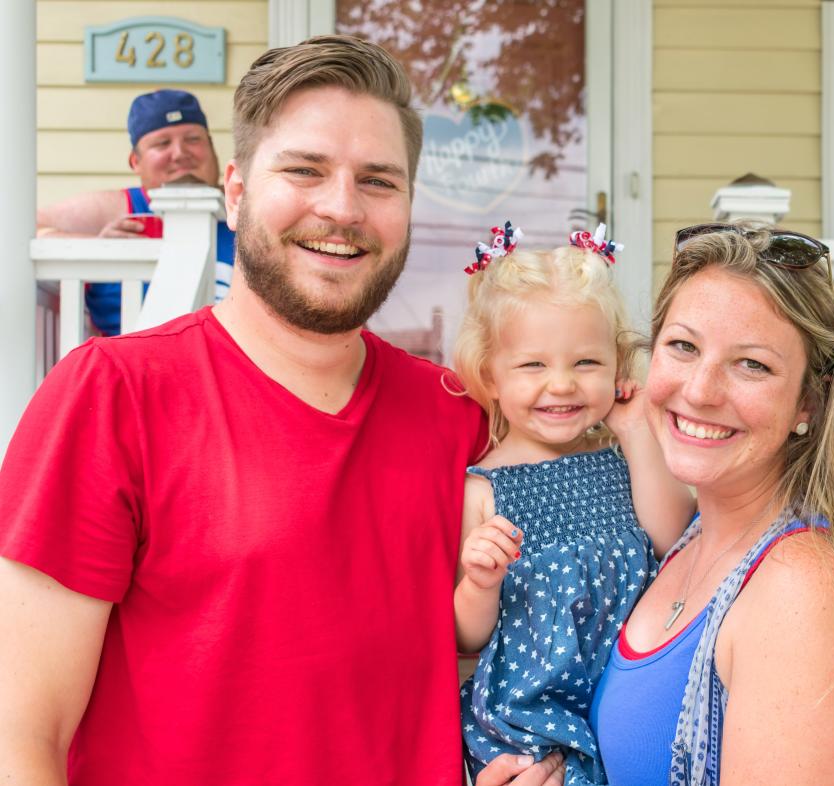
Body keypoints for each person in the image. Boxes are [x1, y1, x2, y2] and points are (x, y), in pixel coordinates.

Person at [0, 35, 517, 785]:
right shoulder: (113, 396)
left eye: (378, 181)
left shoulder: (456, 415)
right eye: (305, 170)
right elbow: (24, 736)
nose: (342, 208)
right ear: (236, 191)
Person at [485, 221, 834, 786]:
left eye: (752, 364)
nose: (701, 390)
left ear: (808, 402)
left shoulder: (800, 590)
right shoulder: (679, 541)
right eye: (683, 347)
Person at [452, 222, 694, 783]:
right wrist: (479, 583)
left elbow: (675, 542)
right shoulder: (483, 490)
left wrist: (635, 433)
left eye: (585, 364)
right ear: (490, 374)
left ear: (616, 365)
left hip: (629, 700)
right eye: (533, 365)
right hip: (532, 723)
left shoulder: (624, 458)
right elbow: (467, 640)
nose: (560, 385)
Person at [36, 88, 236, 335]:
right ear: (135, 161)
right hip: (128, 366)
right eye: (162, 143)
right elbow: (23, 227)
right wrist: (97, 245)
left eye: (193, 139)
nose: (180, 153)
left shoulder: (244, 205)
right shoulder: (116, 208)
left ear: (212, 148)